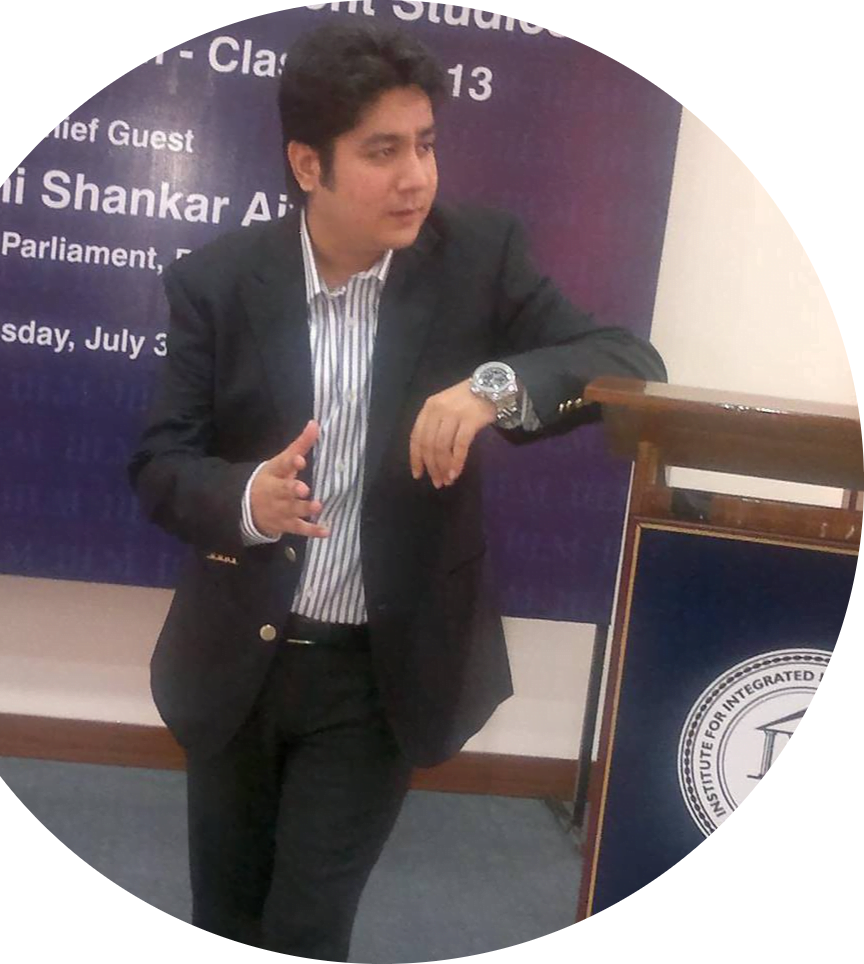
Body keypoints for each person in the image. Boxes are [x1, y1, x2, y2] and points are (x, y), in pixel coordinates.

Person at [127, 20, 666, 964]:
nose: (417, 176)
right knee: (227, 919)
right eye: (382, 152)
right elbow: (161, 464)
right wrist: (248, 499)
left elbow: (628, 361)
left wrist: (495, 387)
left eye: (425, 144)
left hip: (378, 667)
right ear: (308, 164)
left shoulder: (476, 257)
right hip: (239, 656)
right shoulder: (218, 282)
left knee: (306, 929)